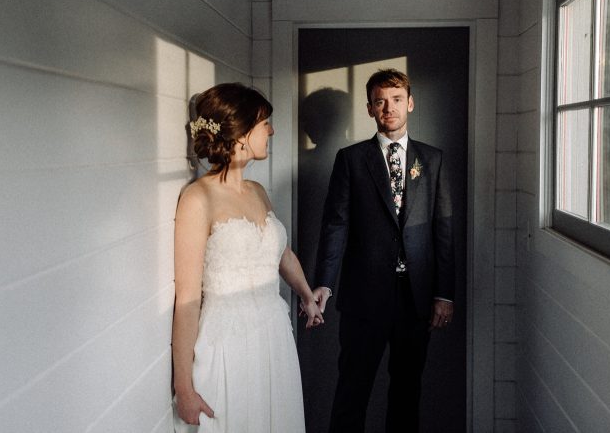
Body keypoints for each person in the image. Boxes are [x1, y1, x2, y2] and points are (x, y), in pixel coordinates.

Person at [172, 83, 324, 433]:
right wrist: (184, 387)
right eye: (264, 123)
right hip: (228, 344)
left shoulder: (256, 191)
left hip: (273, 335)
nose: (271, 131)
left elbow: (281, 253)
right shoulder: (197, 198)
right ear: (241, 132)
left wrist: (305, 294)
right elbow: (188, 298)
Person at [313, 68, 455, 433]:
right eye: (380, 102)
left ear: (410, 103)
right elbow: (335, 225)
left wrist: (444, 293)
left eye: (396, 100)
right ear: (370, 109)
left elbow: (442, 230)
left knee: (407, 391)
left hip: (415, 297)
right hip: (364, 296)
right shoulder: (351, 159)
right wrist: (324, 283)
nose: (388, 108)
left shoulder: (432, 160)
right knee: (352, 390)